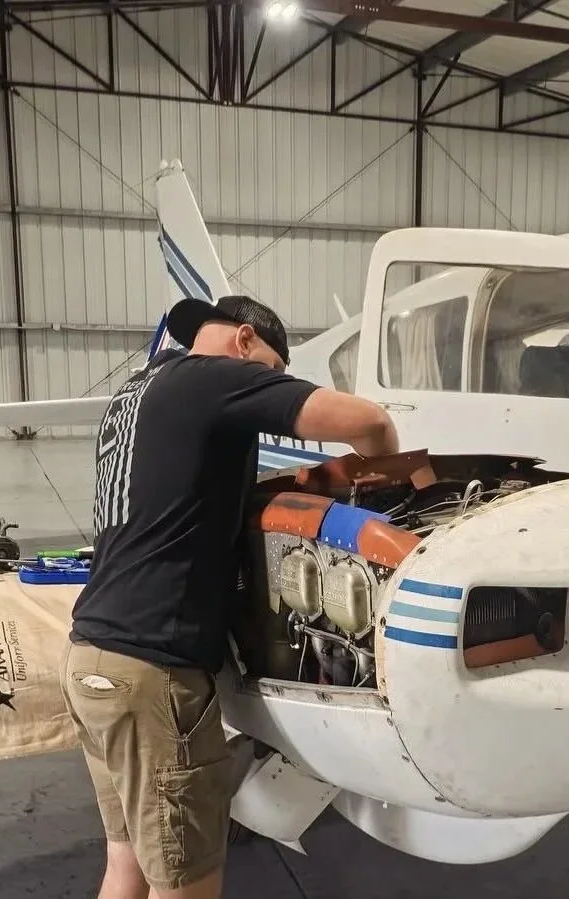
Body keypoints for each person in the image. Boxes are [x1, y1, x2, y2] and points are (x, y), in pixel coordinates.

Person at [61, 294, 398, 899]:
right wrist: (394, 485)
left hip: (92, 660)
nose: (265, 387)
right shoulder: (214, 381)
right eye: (269, 372)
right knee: (186, 886)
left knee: (127, 869)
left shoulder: (136, 393)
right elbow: (368, 423)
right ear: (244, 342)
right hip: (152, 677)